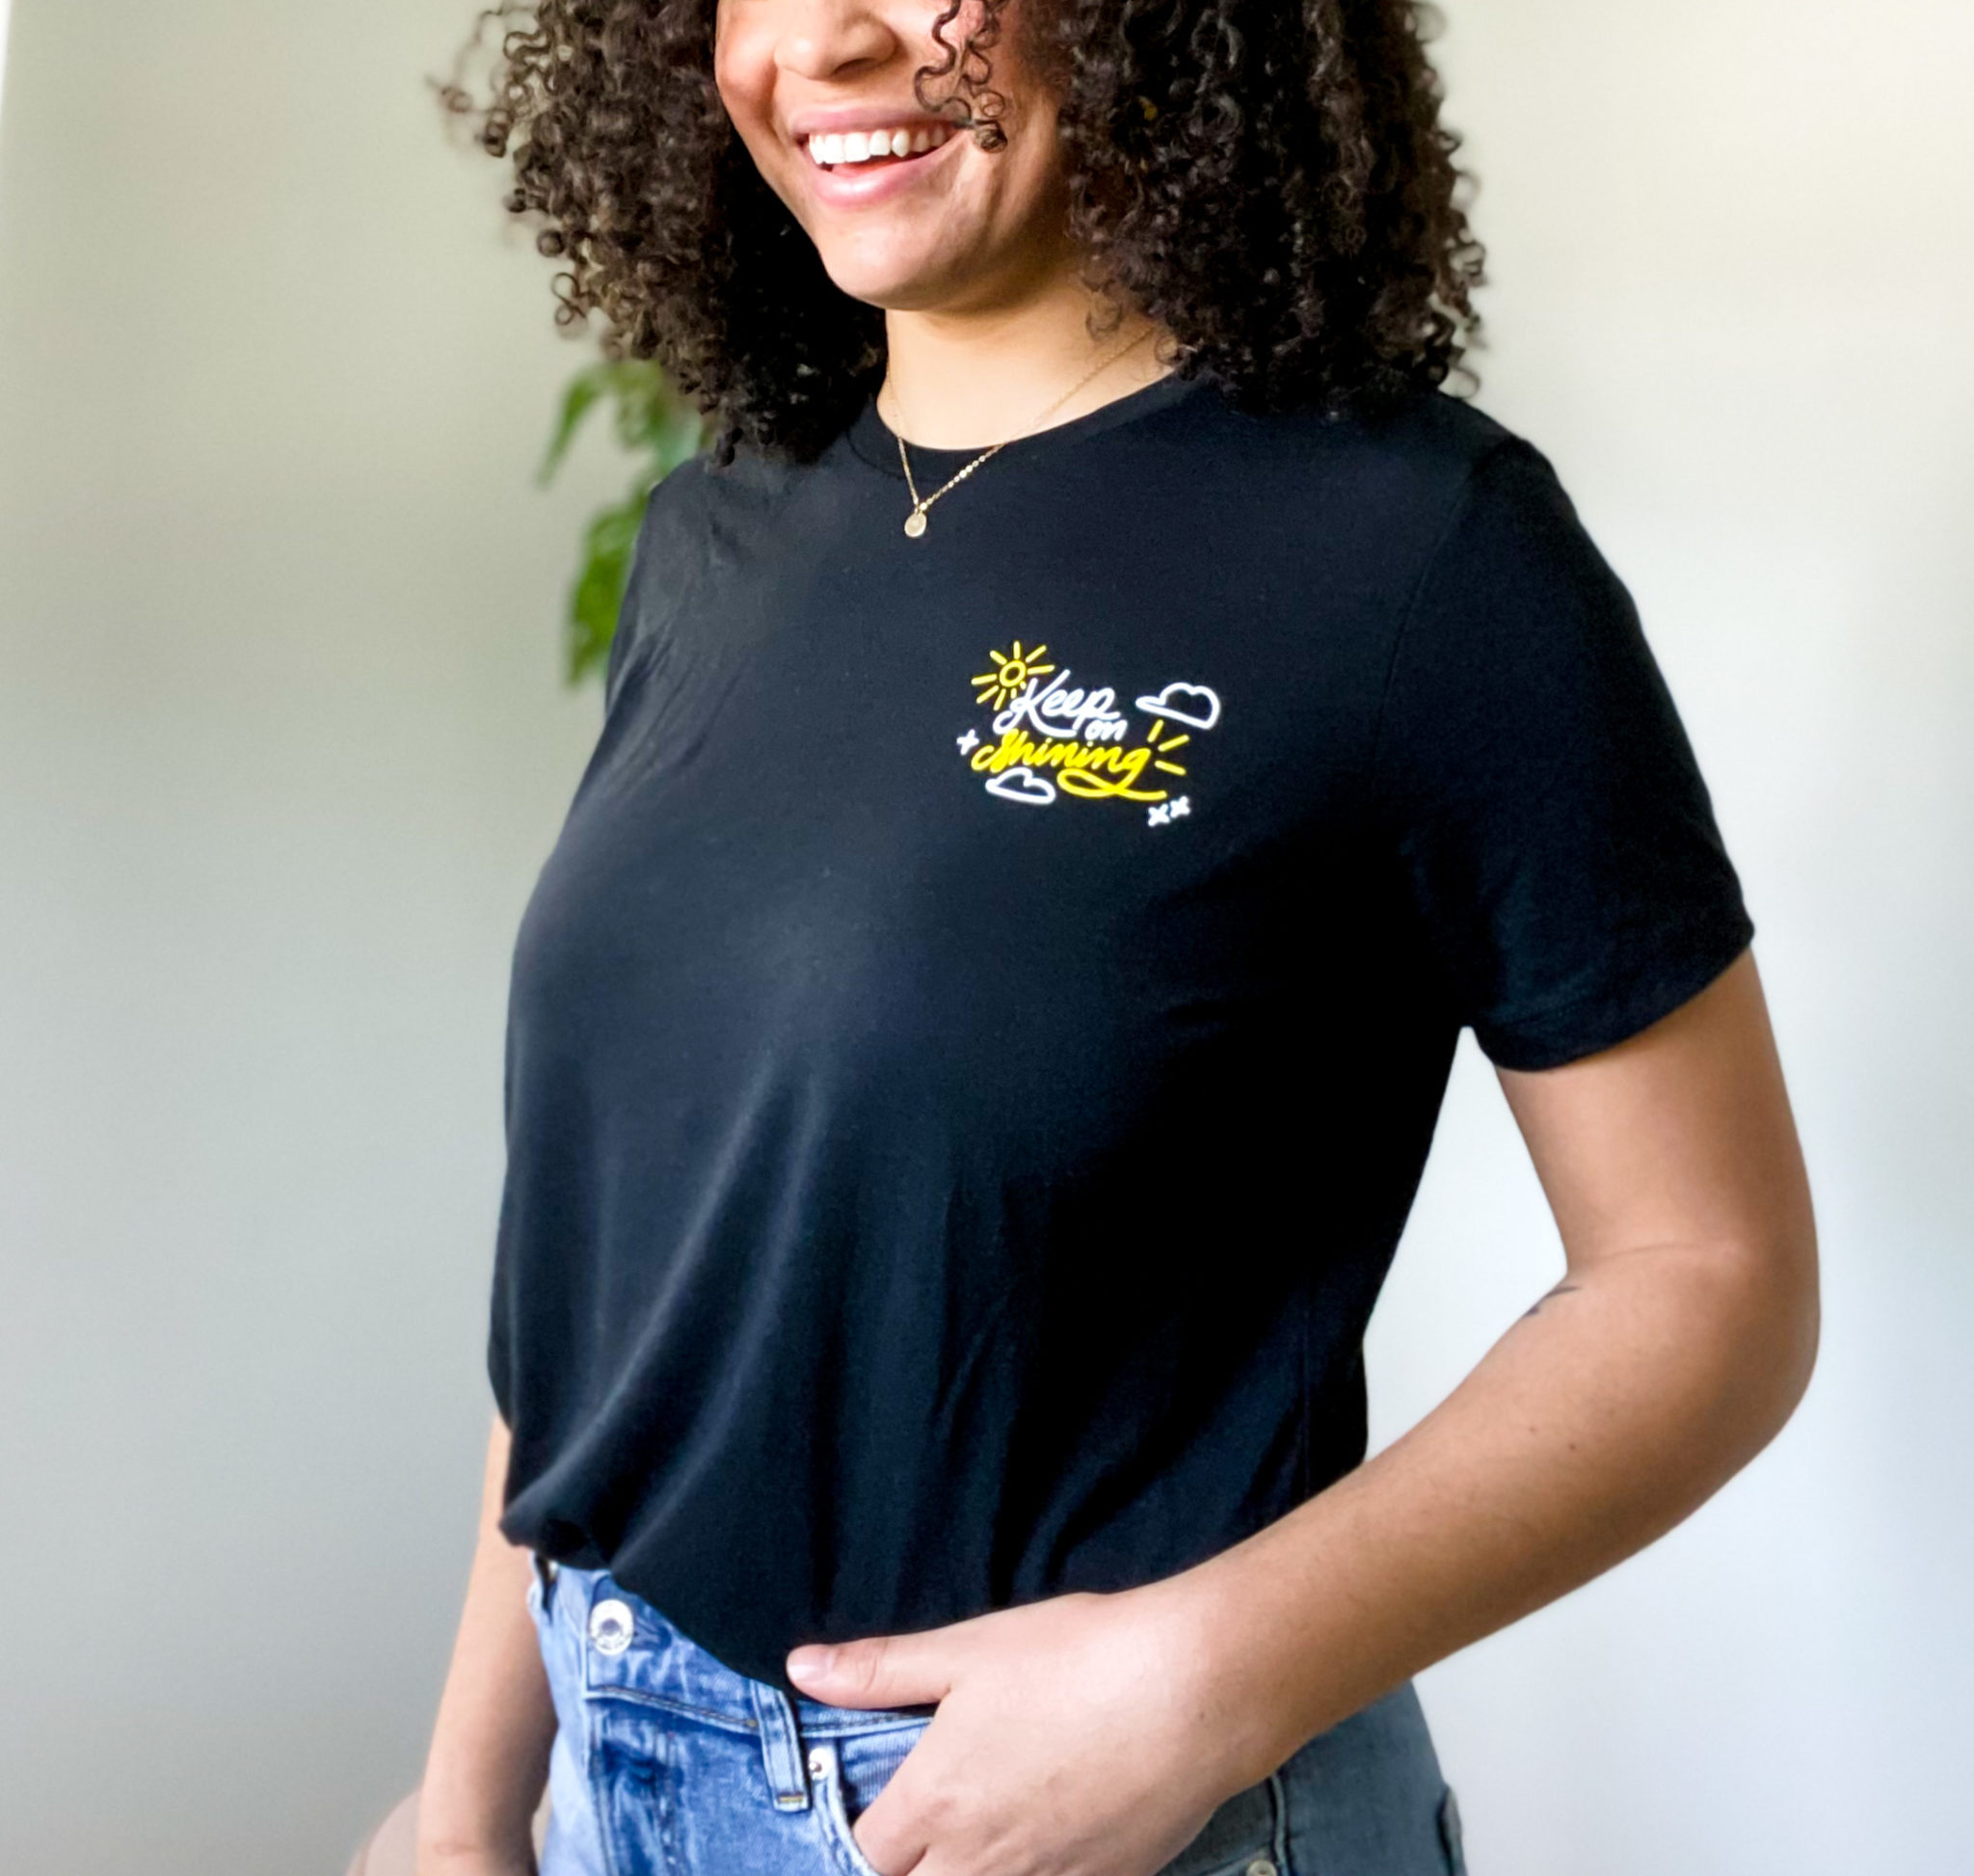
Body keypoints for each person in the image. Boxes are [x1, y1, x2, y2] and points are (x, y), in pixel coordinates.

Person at [417, 0, 1820, 1870]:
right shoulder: (711, 532)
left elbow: (1704, 1275)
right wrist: (467, 1807)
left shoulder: (1419, 547)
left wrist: (1205, 1675)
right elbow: (616, 1290)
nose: (822, 41)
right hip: (619, 1766)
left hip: (1109, 1817)